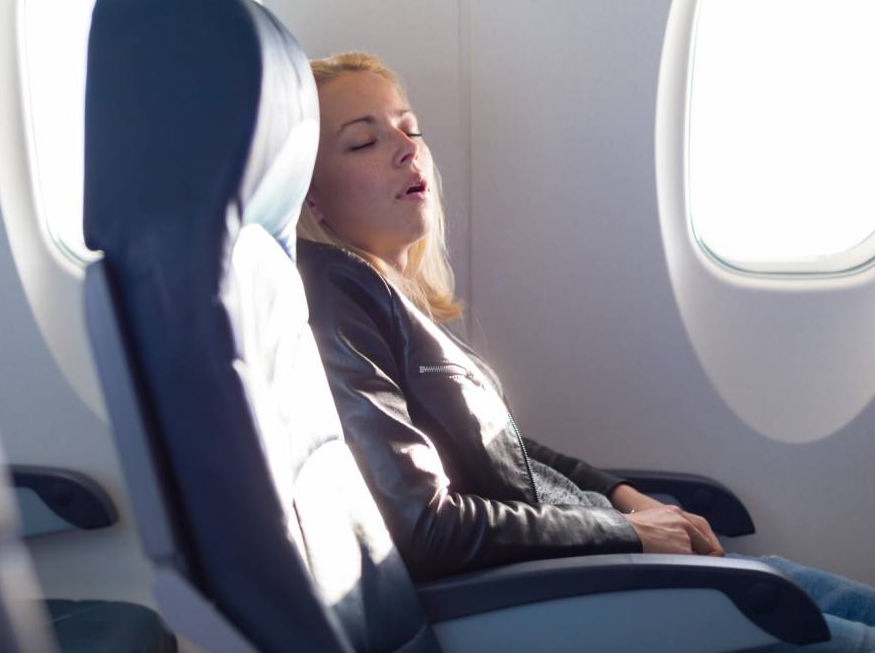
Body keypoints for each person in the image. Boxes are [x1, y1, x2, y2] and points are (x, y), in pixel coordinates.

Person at [295, 51, 875, 652]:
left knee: (828, 598)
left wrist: (623, 495)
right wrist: (626, 531)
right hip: (571, 587)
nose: (407, 148)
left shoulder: (388, 296)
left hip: (595, 554)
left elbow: (511, 453)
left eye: (410, 129)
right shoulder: (337, 293)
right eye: (364, 142)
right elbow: (426, 527)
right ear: (308, 196)